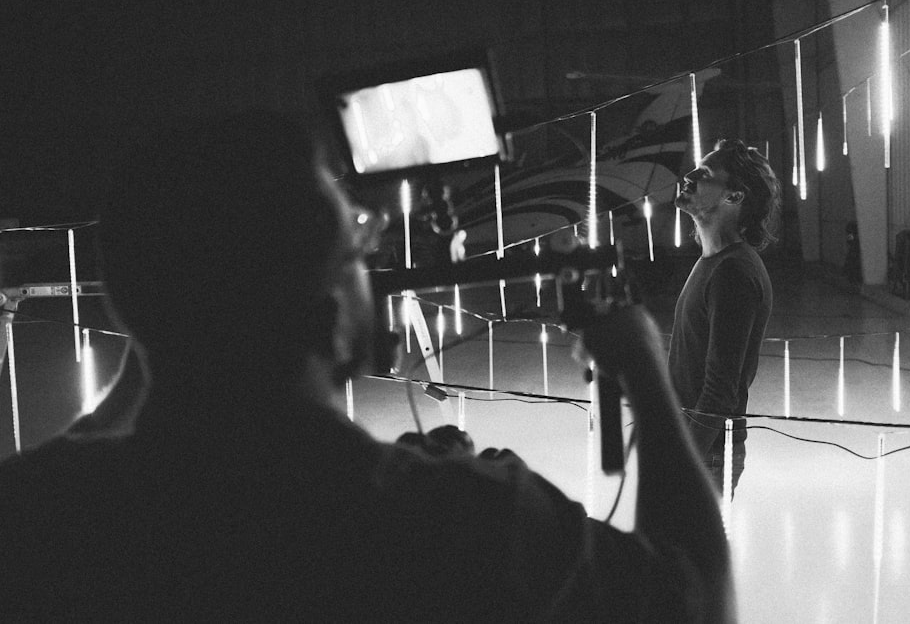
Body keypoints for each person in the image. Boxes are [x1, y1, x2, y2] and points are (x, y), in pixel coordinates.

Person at [0, 111, 735, 621]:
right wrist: (641, 366)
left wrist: (165, 343)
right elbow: (697, 595)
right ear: (327, 315)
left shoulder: (40, 517)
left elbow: (76, 464)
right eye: (355, 247)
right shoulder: (469, 522)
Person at [671, 139, 780, 498]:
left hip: (706, 457)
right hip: (699, 450)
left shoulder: (733, 273)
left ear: (735, 197)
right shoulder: (713, 263)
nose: (689, 176)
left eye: (704, 174)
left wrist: (680, 461)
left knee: (686, 556)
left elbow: (719, 392)